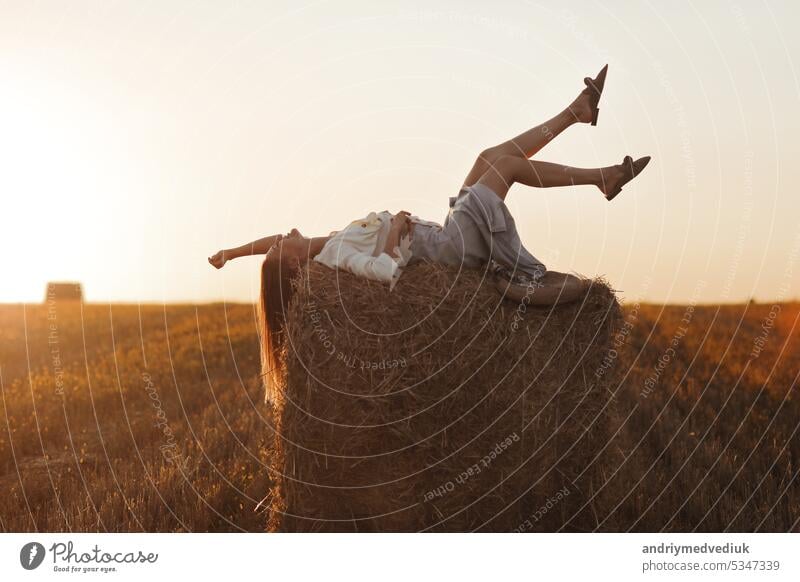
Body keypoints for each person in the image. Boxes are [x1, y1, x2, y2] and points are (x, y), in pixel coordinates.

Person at [208, 65, 650, 386]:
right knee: (508, 168)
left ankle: (578, 111)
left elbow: (274, 245)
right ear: (292, 266)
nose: (284, 235)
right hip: (451, 250)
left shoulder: (324, 248)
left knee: (487, 157)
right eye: (280, 246)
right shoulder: (337, 256)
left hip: (442, 236)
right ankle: (603, 179)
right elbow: (385, 272)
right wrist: (398, 237)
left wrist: (231, 253)